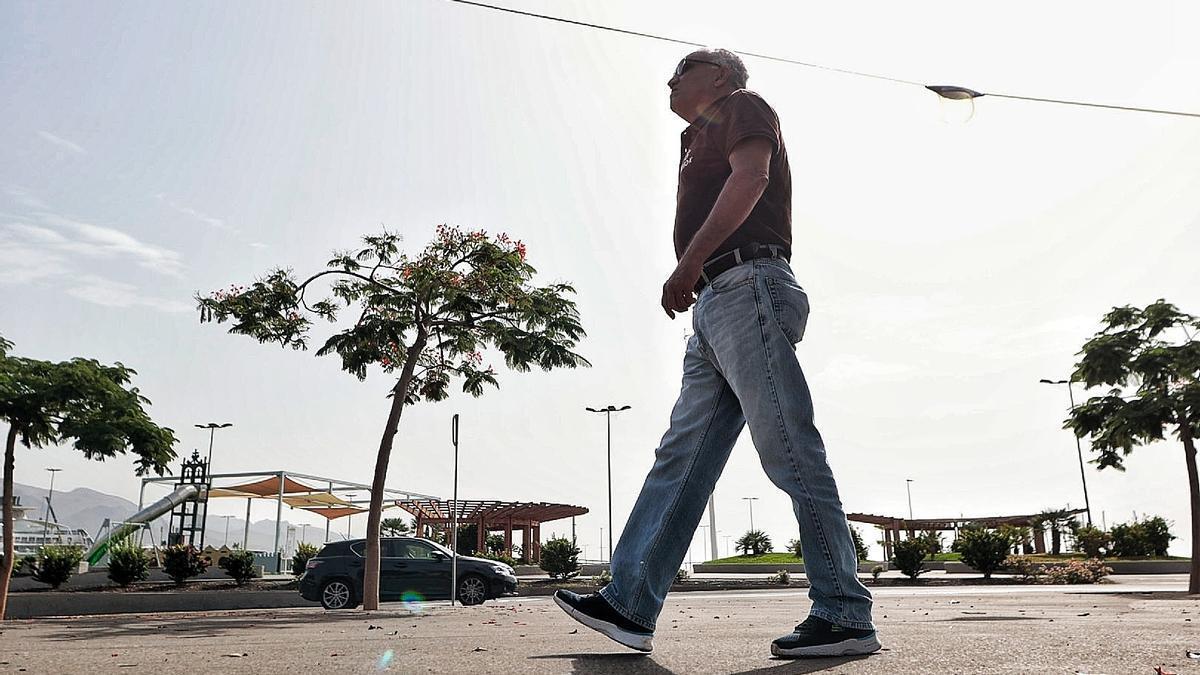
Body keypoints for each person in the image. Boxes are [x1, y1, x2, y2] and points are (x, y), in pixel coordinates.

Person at [554, 48, 879, 658]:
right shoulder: (693, 138)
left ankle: (844, 613)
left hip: (748, 285)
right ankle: (629, 602)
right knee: (681, 456)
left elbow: (751, 177)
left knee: (788, 445)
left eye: (683, 70)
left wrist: (690, 261)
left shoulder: (743, 107)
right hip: (714, 303)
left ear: (719, 76)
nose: (671, 81)